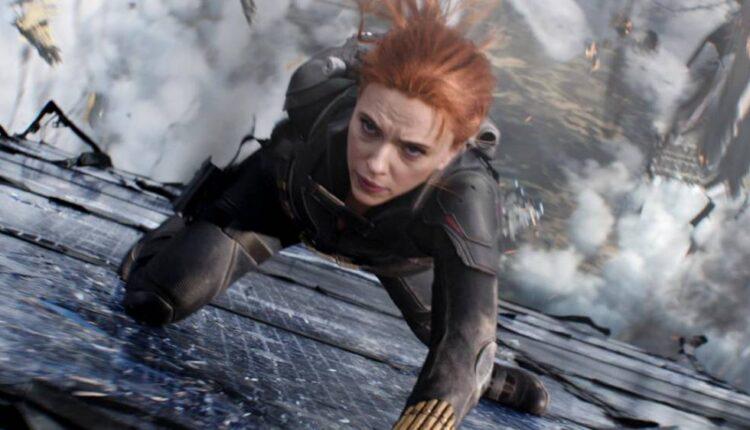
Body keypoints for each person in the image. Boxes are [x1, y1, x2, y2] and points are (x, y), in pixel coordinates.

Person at [119, 1, 549, 428]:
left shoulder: (467, 192)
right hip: (279, 204)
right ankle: (169, 239)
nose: (376, 164)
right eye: (369, 128)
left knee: (457, 351)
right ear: (359, 97)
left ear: (451, 152)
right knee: (155, 299)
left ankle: (487, 381)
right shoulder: (316, 94)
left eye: (412, 150)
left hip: (395, 254)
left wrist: (439, 409)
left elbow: (468, 337)